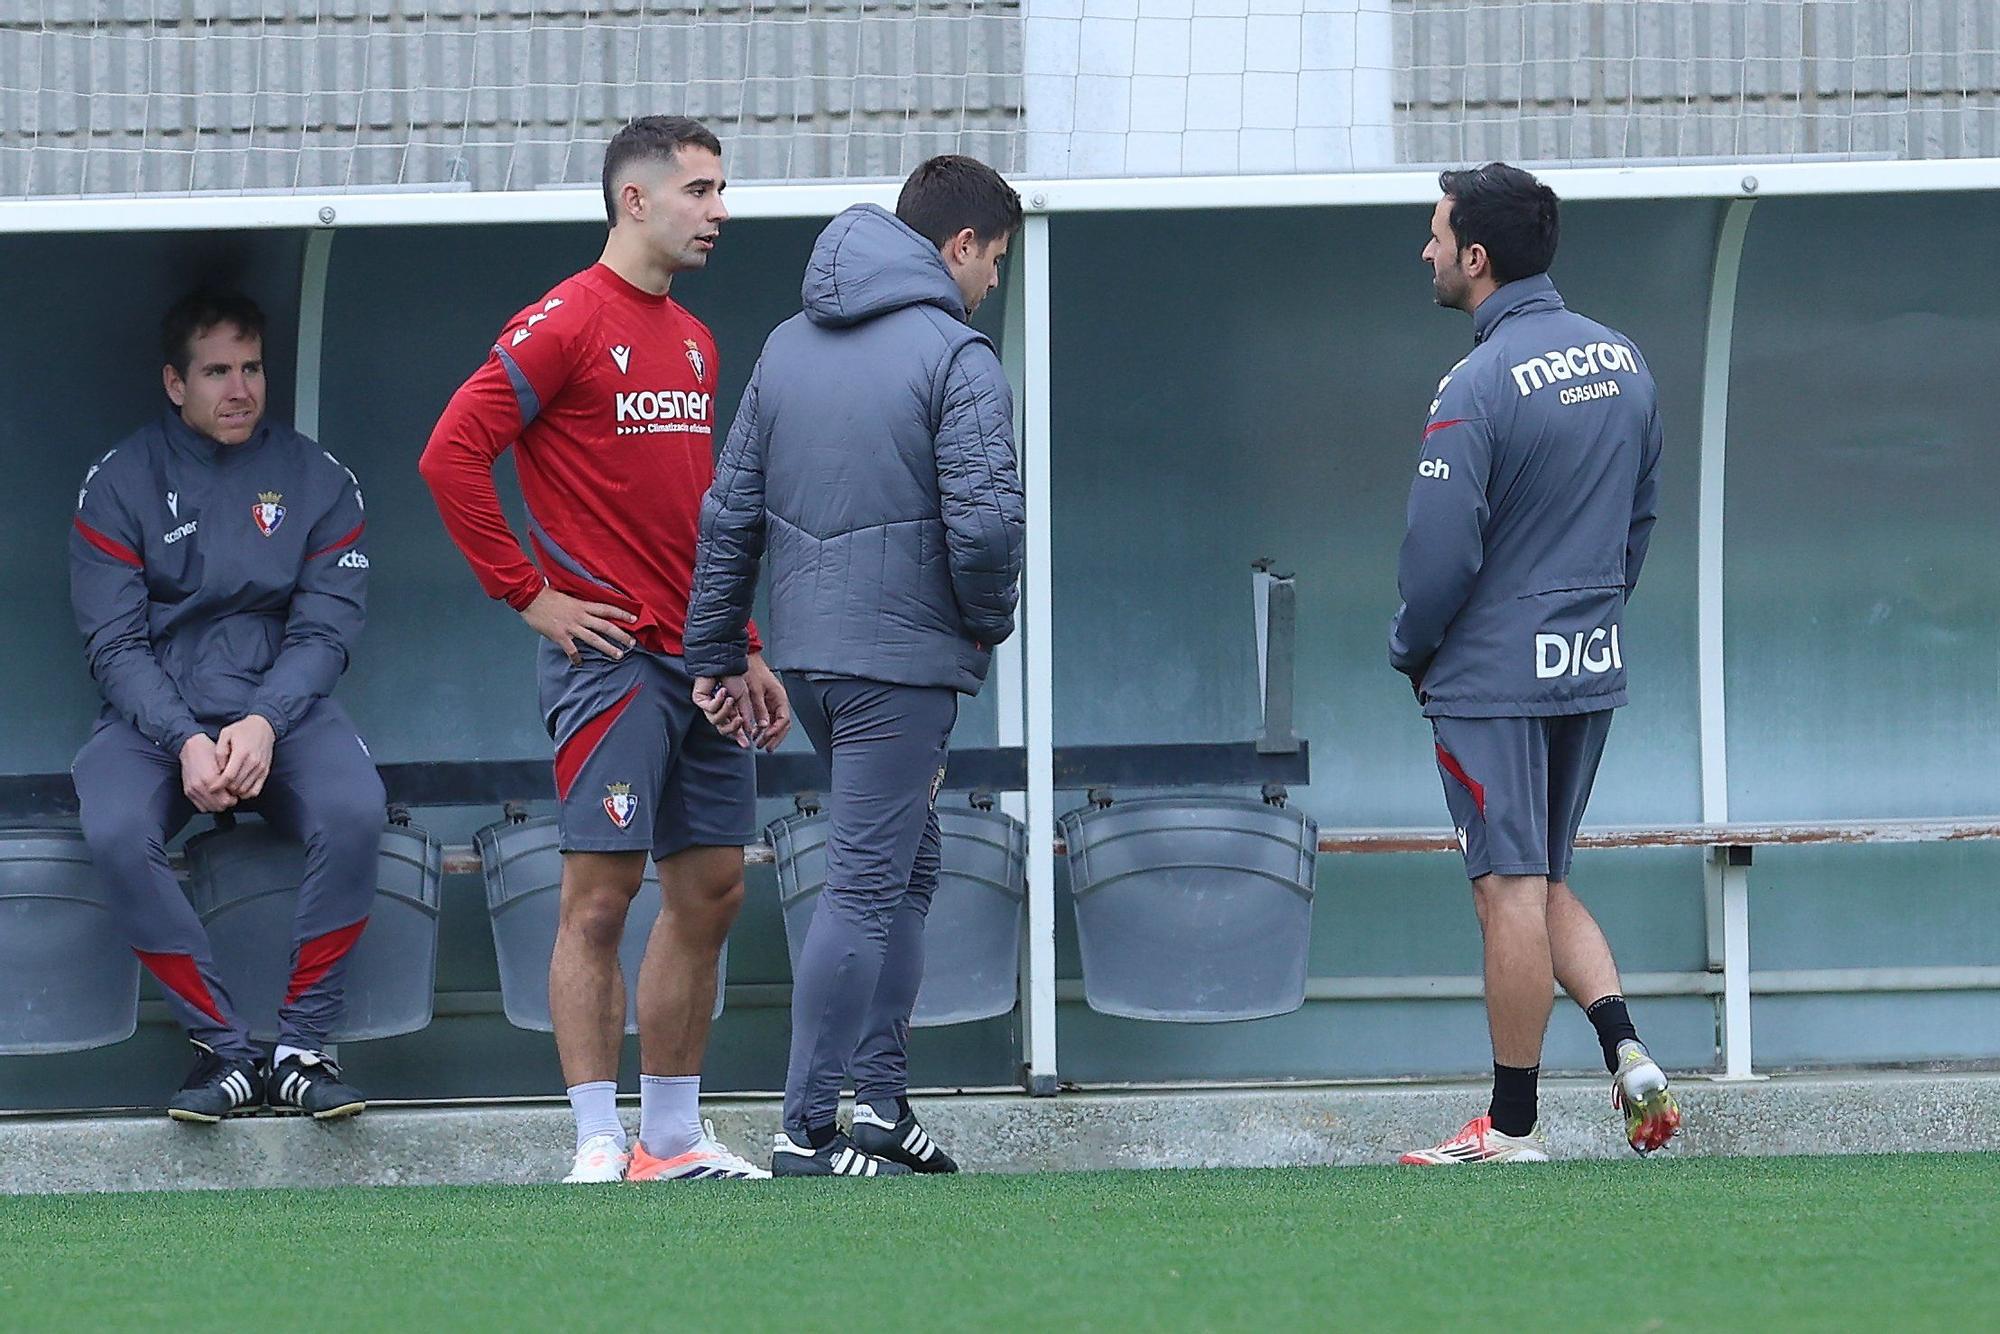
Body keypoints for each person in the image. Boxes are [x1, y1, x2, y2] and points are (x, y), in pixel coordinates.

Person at [420, 115, 784, 1184]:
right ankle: (591, 1138)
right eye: (702, 191)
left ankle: (667, 1139)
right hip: (611, 660)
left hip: (702, 658)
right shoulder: (563, 323)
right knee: (599, 894)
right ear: (636, 200)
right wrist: (530, 595)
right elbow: (450, 455)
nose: (720, 211)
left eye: (721, 191)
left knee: (713, 885)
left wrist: (744, 643)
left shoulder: (698, 340)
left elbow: (696, 515)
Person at [684, 154, 1026, 1178]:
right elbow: (986, 531)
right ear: (959, 246)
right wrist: (982, 626)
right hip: (901, 665)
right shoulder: (958, 357)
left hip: (812, 660)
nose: (995, 281)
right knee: (868, 880)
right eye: (996, 258)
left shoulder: (786, 348)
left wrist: (713, 650)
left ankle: (877, 1102)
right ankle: (806, 1126)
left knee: (905, 864)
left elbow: (728, 511)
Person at [1390, 162, 1679, 1164]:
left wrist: (1409, 647)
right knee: (1545, 872)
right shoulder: (1623, 360)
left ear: (1475, 257)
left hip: (1492, 675)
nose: (1424, 251)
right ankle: (1623, 1045)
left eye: (1434, 235)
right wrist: (1591, 614)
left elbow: (1436, 554)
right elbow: (1636, 523)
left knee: (1504, 886)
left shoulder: (1472, 383)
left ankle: (1509, 1124)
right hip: (1587, 660)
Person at [70, 290, 380, 1123]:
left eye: (251, 369)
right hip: (155, 718)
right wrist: (182, 738)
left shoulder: (317, 479)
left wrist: (263, 722)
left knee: (355, 810)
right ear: (175, 382)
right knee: (110, 825)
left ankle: (302, 1048)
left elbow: (325, 631)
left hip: (281, 708)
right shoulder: (121, 482)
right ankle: (225, 1050)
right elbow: (114, 646)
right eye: (217, 372)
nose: (239, 389)